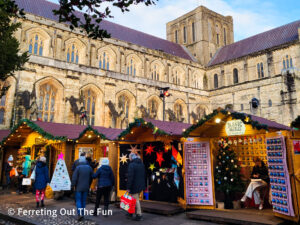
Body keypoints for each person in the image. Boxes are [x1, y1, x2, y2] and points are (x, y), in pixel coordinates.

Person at [72, 155, 93, 221]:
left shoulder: (78, 168)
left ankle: (79, 214)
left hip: (78, 187)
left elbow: (74, 178)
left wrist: (73, 185)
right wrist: (89, 184)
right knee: (83, 201)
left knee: (78, 200)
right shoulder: (89, 168)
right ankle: (83, 214)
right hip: (86, 187)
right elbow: (92, 177)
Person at [126, 153, 146, 221]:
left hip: (134, 185)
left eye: (129, 158)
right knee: (133, 199)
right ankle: (130, 212)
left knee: (136, 200)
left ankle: (139, 215)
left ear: (131, 158)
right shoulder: (141, 164)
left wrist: (128, 187)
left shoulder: (132, 165)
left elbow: (130, 177)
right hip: (140, 185)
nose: (129, 159)